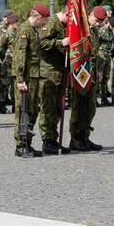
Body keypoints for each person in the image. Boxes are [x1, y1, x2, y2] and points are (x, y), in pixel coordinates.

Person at [12, 5, 48, 157]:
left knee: (31, 110)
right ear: (38, 17)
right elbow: (20, 56)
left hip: (32, 76)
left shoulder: (33, 30)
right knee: (23, 110)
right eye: (44, 20)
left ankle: (28, 143)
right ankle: (20, 146)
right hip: (25, 77)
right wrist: (20, 79)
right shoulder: (25, 30)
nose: (44, 23)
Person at [69, 6, 106, 152]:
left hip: (91, 74)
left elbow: (95, 54)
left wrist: (99, 71)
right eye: (97, 20)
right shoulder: (81, 30)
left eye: (101, 22)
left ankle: (85, 136)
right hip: (80, 74)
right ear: (89, 15)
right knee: (79, 107)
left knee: (90, 108)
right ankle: (75, 139)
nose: (98, 24)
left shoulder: (95, 31)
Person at [38, 9, 70, 154]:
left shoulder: (62, 25)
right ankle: (47, 141)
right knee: (48, 108)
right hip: (48, 72)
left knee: (57, 108)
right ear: (67, 14)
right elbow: (42, 42)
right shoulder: (51, 22)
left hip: (58, 72)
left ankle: (53, 139)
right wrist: (60, 43)